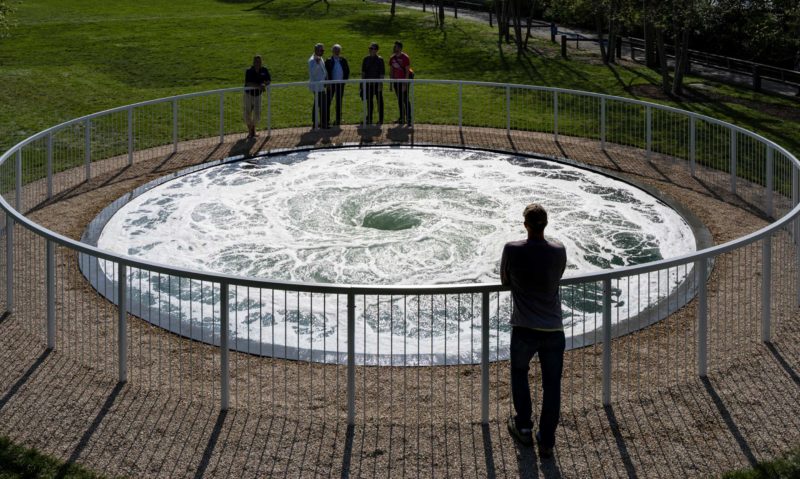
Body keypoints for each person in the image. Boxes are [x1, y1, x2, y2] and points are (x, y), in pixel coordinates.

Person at [500, 203, 567, 459]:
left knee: (519, 374)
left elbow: (504, 280)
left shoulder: (512, 249)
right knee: (552, 385)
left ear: (525, 225)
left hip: (524, 326)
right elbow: (558, 276)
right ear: (546, 224)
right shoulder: (559, 250)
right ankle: (547, 440)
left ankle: (524, 427)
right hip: (553, 328)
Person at [243, 55, 271, 138]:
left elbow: (268, 80)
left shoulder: (264, 70)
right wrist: (259, 86)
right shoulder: (249, 71)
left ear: (261, 62)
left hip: (258, 95)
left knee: (257, 114)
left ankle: (252, 130)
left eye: (259, 61)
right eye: (256, 61)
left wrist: (264, 84)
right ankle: (251, 131)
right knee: (247, 113)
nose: (257, 63)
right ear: (253, 62)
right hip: (248, 95)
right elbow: (248, 83)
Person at [325, 44, 350, 126]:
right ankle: (326, 119)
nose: (337, 51)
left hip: (340, 84)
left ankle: (338, 119)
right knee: (328, 102)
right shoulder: (328, 60)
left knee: (339, 102)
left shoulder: (343, 60)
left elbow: (347, 70)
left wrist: (344, 81)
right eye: (335, 50)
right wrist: (327, 83)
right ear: (332, 51)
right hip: (331, 84)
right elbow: (326, 73)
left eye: (338, 50)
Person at [361, 42, 385, 125]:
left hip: (377, 84)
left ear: (376, 50)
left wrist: (380, 84)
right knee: (369, 102)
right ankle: (369, 118)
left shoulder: (380, 59)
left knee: (379, 102)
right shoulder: (365, 59)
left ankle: (381, 119)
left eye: (372, 48)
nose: (370, 50)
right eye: (370, 48)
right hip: (368, 84)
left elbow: (382, 73)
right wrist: (362, 84)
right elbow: (363, 73)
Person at [389, 40, 412, 125]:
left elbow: (407, 72)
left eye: (396, 46)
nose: (394, 48)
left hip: (403, 81)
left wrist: (405, 84)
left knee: (405, 100)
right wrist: (391, 84)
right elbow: (391, 71)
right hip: (396, 82)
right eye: (394, 46)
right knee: (399, 100)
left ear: (400, 48)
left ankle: (409, 119)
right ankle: (402, 118)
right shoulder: (392, 58)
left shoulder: (405, 57)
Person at [308, 43, 329, 129]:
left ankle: (318, 123)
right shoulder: (312, 60)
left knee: (319, 104)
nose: (323, 52)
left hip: (321, 86)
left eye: (323, 50)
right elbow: (313, 73)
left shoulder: (320, 58)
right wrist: (317, 64)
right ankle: (320, 123)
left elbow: (324, 71)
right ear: (316, 50)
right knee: (320, 104)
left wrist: (327, 82)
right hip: (316, 86)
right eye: (321, 50)